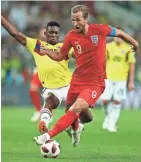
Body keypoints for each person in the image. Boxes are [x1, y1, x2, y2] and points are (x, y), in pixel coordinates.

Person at [32, 4, 138, 147]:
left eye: (78, 20)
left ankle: (47, 136)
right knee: (73, 111)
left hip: (95, 82)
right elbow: (60, 56)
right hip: (77, 81)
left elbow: (119, 32)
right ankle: (76, 129)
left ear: (86, 19)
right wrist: (47, 52)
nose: (75, 23)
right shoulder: (71, 36)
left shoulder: (99, 29)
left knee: (75, 109)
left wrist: (134, 42)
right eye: (73, 20)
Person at [1, 15, 75, 132]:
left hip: (68, 86)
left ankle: (75, 128)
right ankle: (44, 124)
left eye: (56, 33)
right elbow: (15, 34)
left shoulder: (64, 46)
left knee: (83, 116)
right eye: (51, 33)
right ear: (45, 33)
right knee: (49, 101)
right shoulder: (37, 45)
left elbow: (79, 56)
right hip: (50, 88)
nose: (54, 35)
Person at [101, 34, 136, 132]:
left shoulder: (129, 48)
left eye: (119, 36)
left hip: (121, 79)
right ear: (113, 37)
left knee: (117, 100)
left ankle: (112, 124)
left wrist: (131, 82)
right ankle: (107, 117)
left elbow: (132, 65)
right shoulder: (108, 47)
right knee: (105, 100)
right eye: (116, 36)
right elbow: (102, 61)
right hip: (108, 78)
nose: (117, 38)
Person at [29, 29, 46, 123]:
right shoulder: (37, 45)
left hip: (49, 71)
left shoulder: (53, 44)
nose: (43, 35)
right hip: (38, 71)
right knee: (32, 89)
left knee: (49, 94)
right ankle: (38, 110)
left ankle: (48, 113)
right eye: (42, 33)